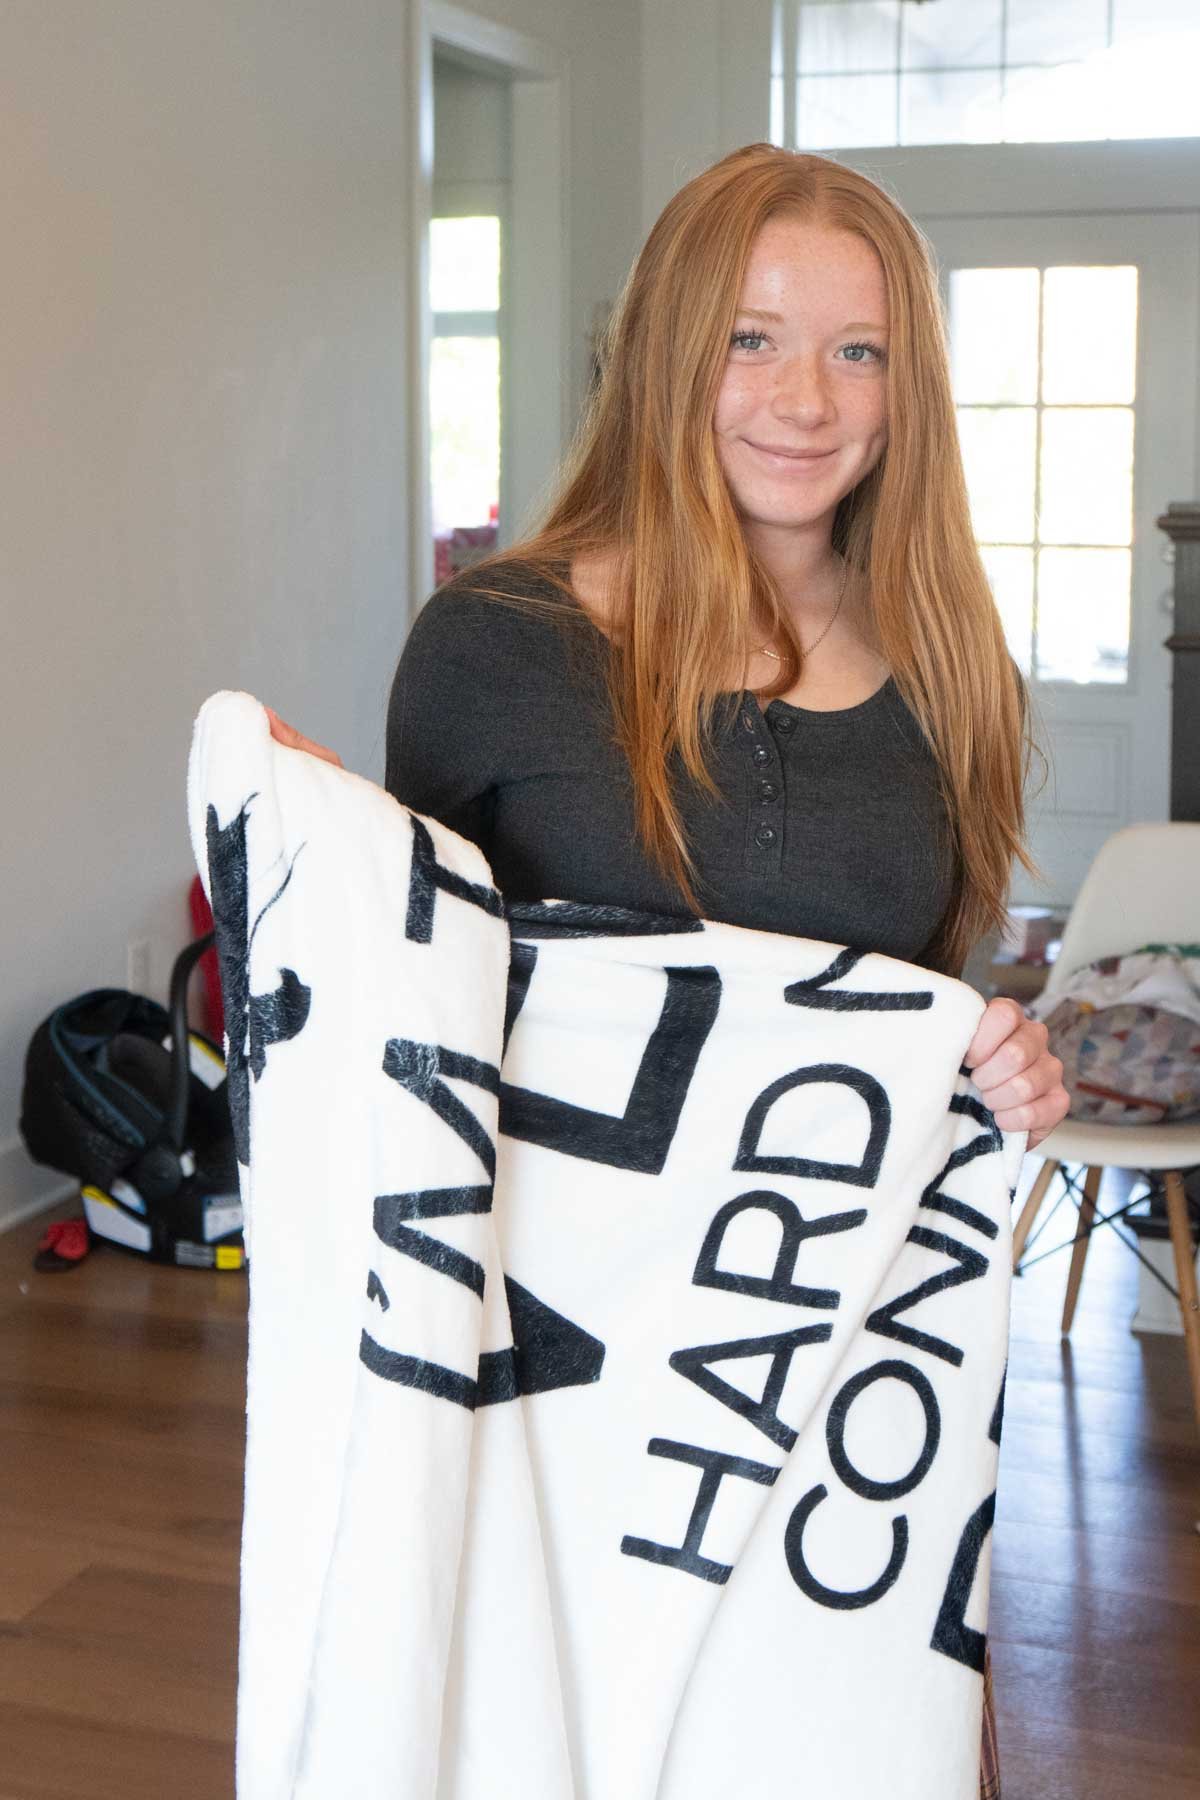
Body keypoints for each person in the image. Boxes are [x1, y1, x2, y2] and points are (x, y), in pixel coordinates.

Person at [267, 141, 1069, 1798]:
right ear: (666, 353)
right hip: (558, 1380)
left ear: (906, 389)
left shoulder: (954, 672)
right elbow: (423, 1013)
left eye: (859, 350)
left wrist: (1006, 1055)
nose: (806, 397)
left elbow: (931, 1005)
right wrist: (314, 852)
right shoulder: (498, 647)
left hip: (837, 1379)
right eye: (751, 338)